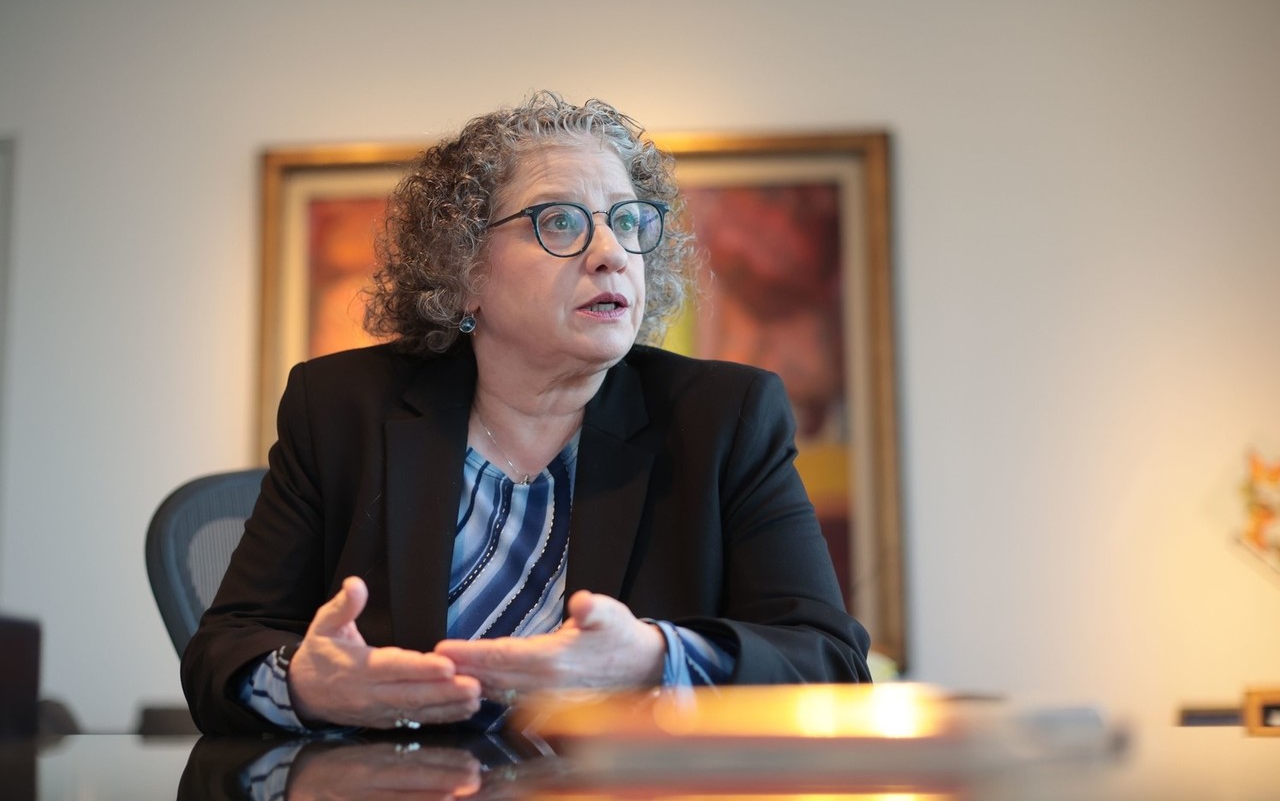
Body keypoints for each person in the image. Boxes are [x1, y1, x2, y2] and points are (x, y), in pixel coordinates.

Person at [181, 91, 872, 735]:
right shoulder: (342, 408)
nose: (611, 254)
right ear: (464, 271)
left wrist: (653, 660)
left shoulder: (725, 418)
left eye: (627, 221)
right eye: (559, 221)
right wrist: (304, 685)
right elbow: (224, 649)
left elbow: (831, 663)